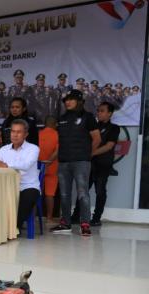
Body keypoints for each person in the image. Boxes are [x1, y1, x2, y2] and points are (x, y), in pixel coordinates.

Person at [50, 89, 101, 236]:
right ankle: (65, 223)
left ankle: (85, 223)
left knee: (83, 193)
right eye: (66, 100)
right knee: (64, 194)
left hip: (81, 162)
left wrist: (87, 155)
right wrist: (52, 159)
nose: (67, 102)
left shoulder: (88, 117)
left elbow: (97, 139)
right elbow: (61, 142)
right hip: (64, 162)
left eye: (71, 99)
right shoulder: (62, 118)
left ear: (80, 101)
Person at [71, 102, 120, 226]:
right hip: (88, 164)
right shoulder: (93, 126)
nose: (99, 113)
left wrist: (92, 153)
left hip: (103, 164)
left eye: (102, 110)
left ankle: (97, 218)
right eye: (98, 110)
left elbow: (109, 146)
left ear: (110, 113)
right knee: (83, 190)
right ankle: (76, 215)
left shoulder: (114, 128)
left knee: (100, 190)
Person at [0, 119, 40, 230]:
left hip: (26, 186)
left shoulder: (33, 149)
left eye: (19, 132)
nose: (15, 135)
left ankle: (13, 228)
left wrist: (4, 164)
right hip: (7, 186)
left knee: (29, 196)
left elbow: (25, 165)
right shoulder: (4, 149)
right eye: (13, 131)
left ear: (26, 134)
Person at [38, 116, 59, 224]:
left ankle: (32, 216)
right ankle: (49, 217)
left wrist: (42, 163)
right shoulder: (58, 135)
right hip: (52, 168)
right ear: (55, 124)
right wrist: (49, 162)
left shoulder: (38, 134)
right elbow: (57, 151)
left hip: (38, 168)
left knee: (36, 192)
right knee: (50, 194)